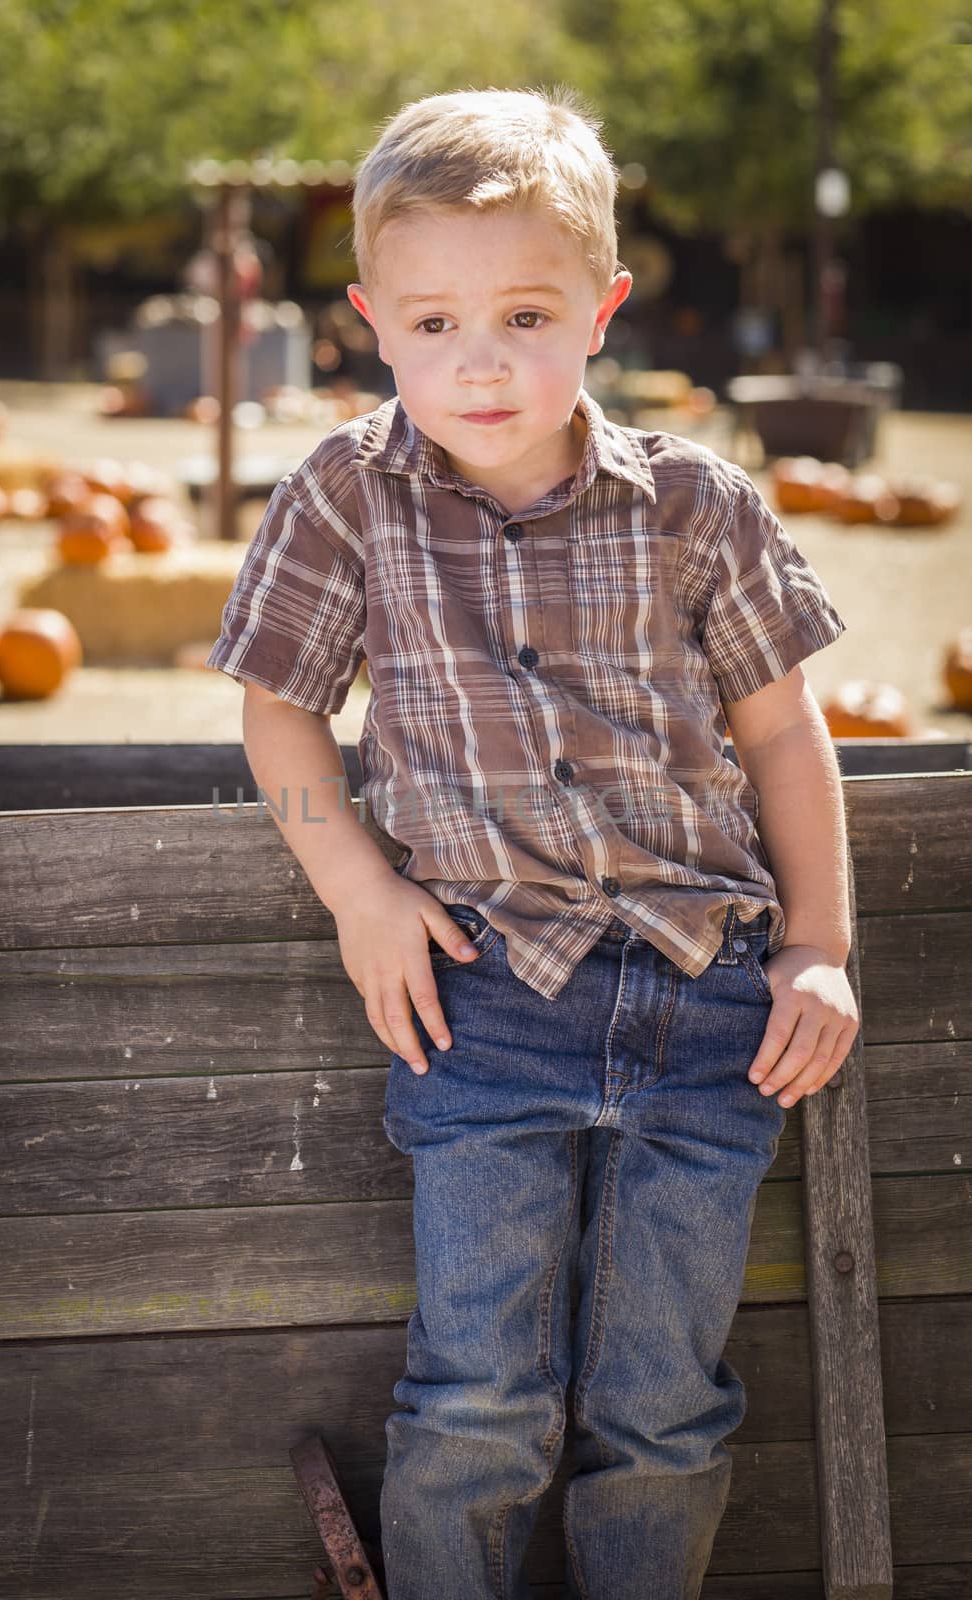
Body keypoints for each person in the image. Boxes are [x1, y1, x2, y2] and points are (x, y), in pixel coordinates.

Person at [206, 85, 860, 1600]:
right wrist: (362, 893)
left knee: (663, 1407)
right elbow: (282, 718)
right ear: (372, 318)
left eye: (523, 312)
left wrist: (820, 949)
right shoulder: (346, 498)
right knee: (480, 1400)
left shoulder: (699, 505)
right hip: (483, 1002)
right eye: (431, 323)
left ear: (604, 309)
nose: (479, 359)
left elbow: (781, 735)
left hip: (711, 1006)